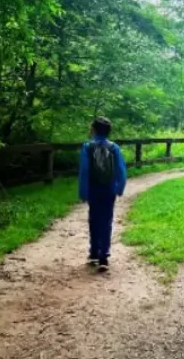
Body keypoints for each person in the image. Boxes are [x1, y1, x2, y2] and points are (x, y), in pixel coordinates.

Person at [78, 116, 127, 273]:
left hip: (94, 189)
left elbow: (84, 171)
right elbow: (121, 170)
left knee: (93, 219)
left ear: (94, 129)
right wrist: (119, 188)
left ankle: (93, 252)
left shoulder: (88, 147)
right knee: (106, 220)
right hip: (109, 189)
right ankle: (104, 257)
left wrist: (83, 191)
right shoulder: (114, 148)